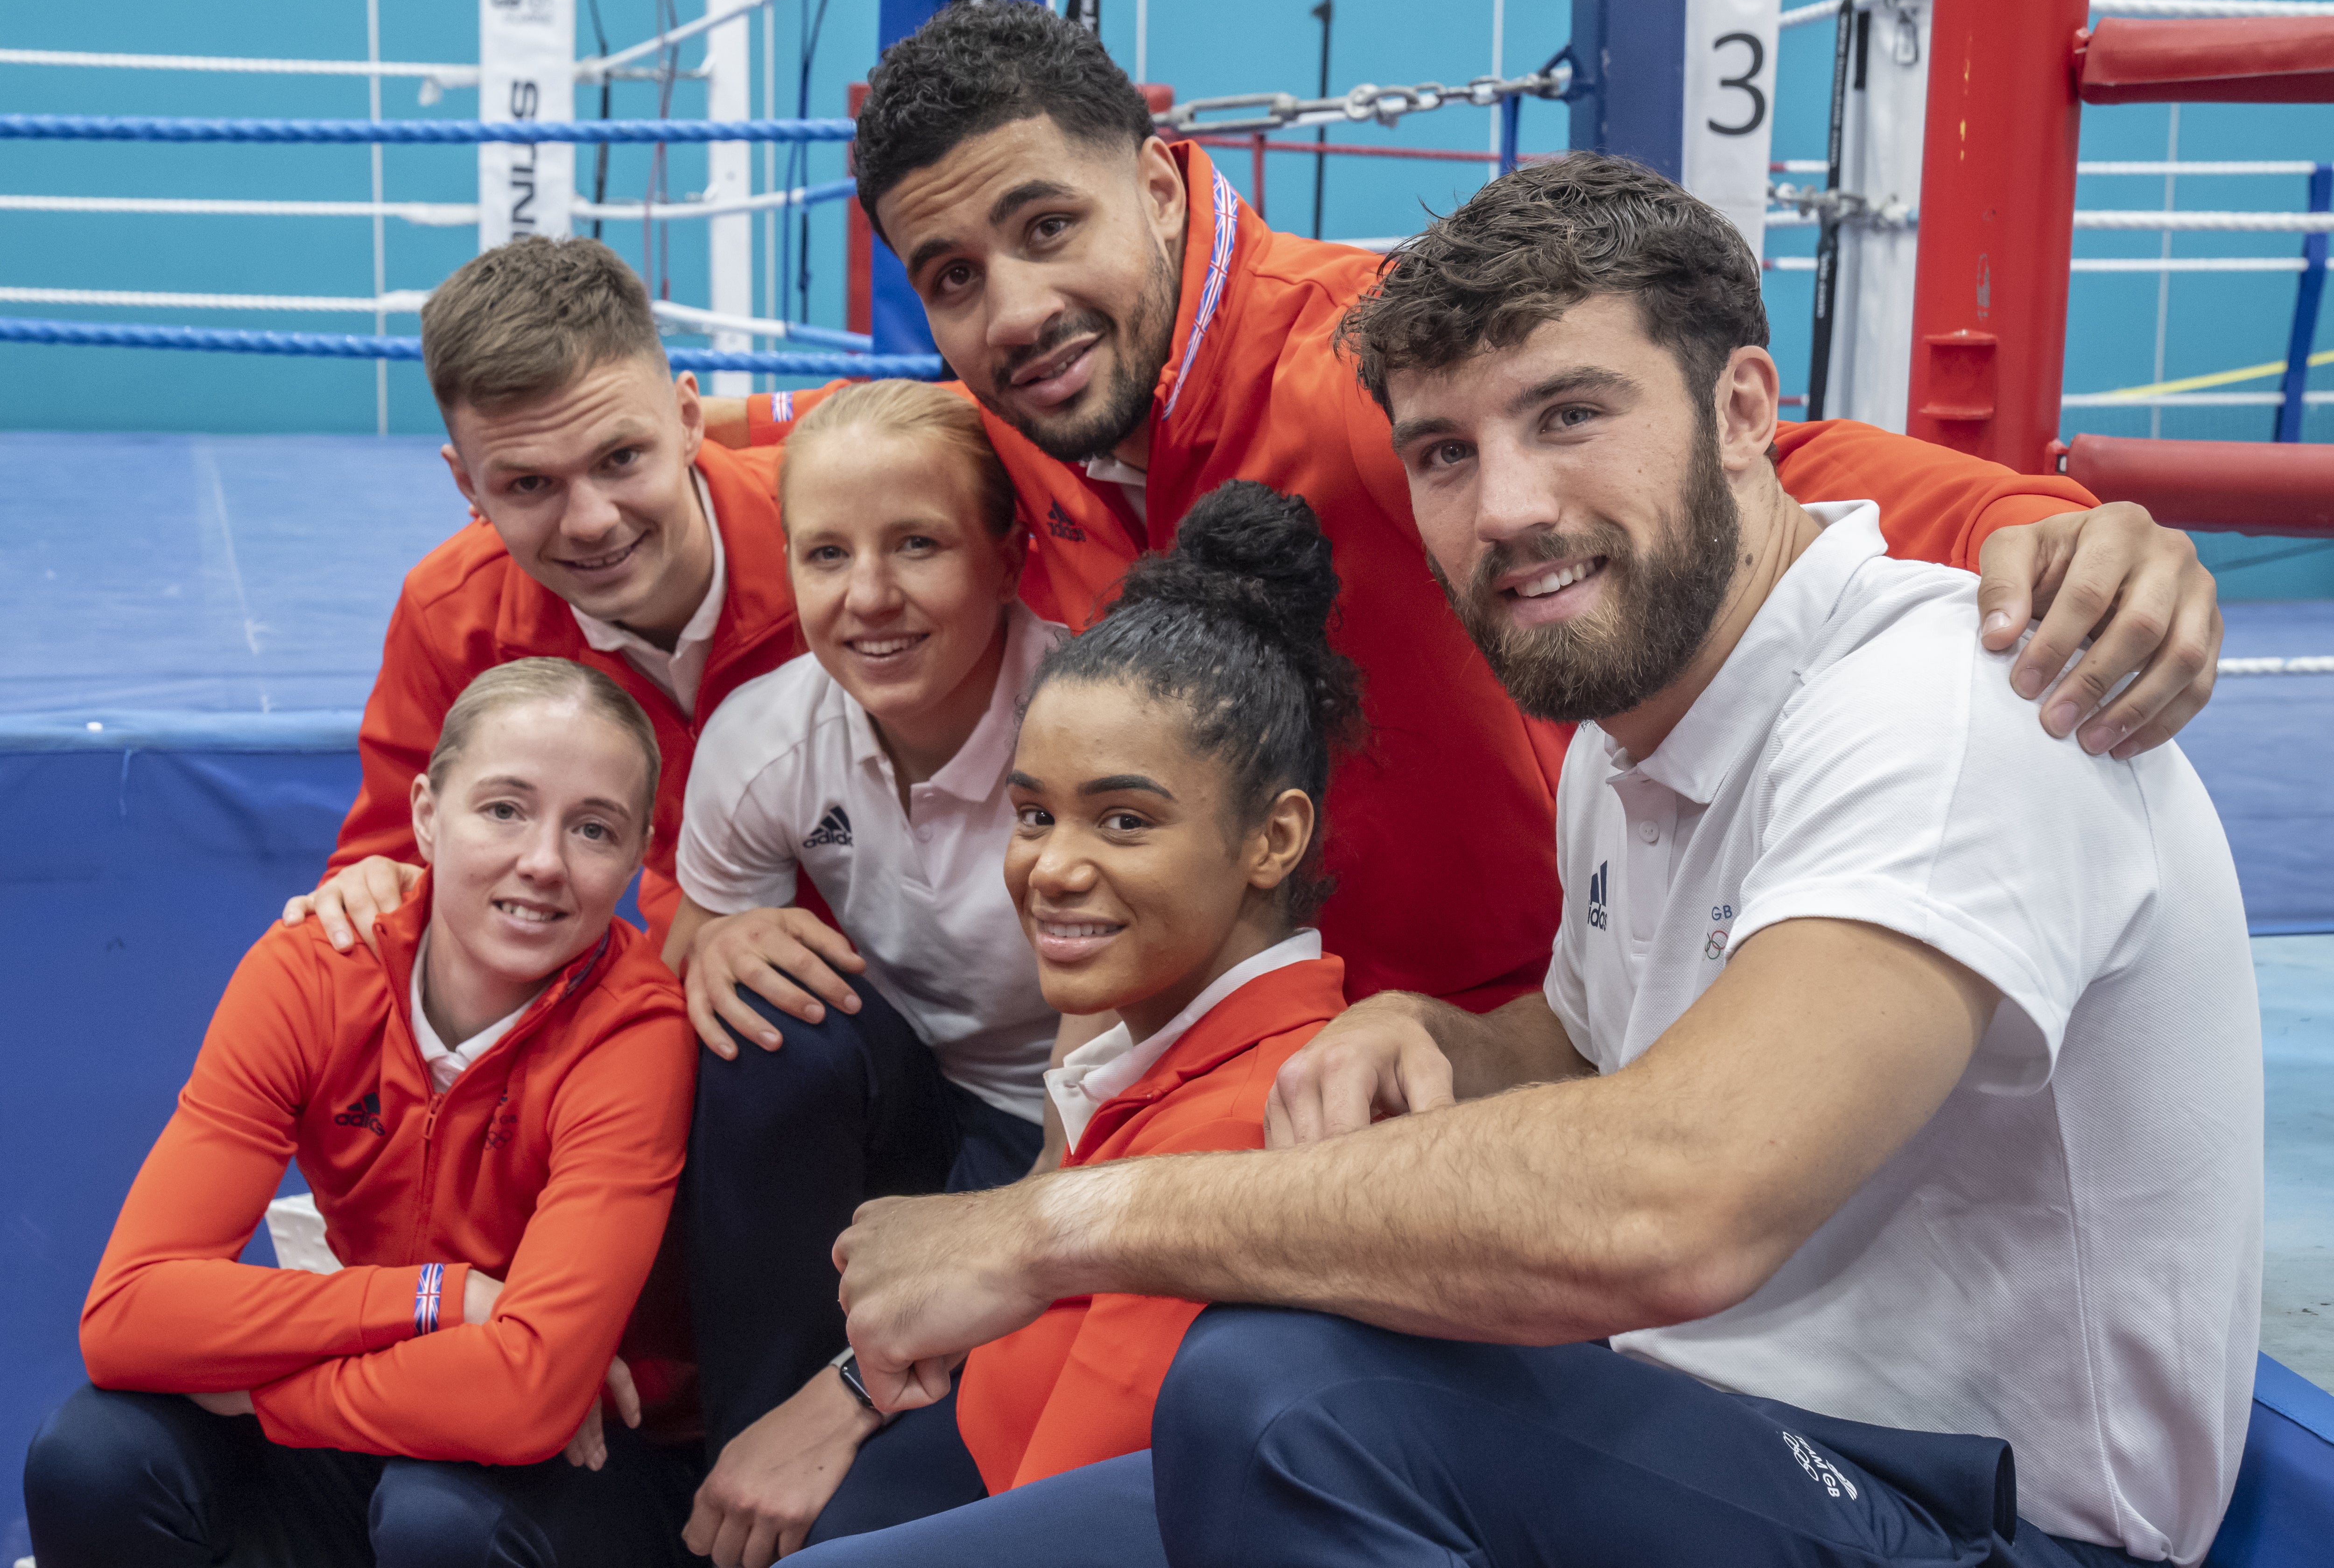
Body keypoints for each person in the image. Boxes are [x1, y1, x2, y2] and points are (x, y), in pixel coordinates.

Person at [813, 155, 2262, 1568]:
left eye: (1570, 414)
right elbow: (1589, 1041)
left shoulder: (1947, 707)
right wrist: (1444, 1032)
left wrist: (1053, 1224)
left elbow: (1678, 1200)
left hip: (1980, 1512)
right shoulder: (1629, 735)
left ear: (1745, 410)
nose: (1504, 505)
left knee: (1288, 1385)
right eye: (1445, 451)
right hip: (1681, 1430)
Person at [712, 0, 2226, 1017]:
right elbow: (707, 500)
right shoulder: (1010, 435)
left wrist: (2040, 523)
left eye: (1050, 227)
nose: (1018, 307)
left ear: (1165, 185)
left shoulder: (1376, 359)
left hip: (1545, 1020)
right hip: (1270, 1034)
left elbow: (1736, 456)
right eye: (954, 276)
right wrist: (685, 901)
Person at [769, 482, 1361, 1568]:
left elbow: (1065, 1519)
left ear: (1272, 840)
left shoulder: (1247, 1123)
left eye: (1124, 820)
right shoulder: (1134, 1062)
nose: (1053, 867)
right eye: (1034, 814)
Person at [23, 659, 706, 1567]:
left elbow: (532, 1393)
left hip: (570, 1457)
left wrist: (266, 1394)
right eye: (504, 809)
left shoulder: (634, 1027)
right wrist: (441, 1298)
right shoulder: (314, 968)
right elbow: (128, 1313)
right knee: (93, 1457)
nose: (542, 861)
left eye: (592, 828)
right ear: (426, 813)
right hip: (404, 1396)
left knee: (441, 1522)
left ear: (633, 856)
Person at [668, 380, 1085, 1558]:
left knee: (878, 1510)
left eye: (918, 544)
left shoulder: (1085, 725)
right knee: (762, 1026)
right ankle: (738, 1473)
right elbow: (690, 953)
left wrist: (850, 1390)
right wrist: (714, 940)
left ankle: (832, 1457)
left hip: (1077, 1128)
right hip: (908, 1105)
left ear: (1007, 556)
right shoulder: (766, 739)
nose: (869, 597)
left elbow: (1100, 1105)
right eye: (826, 554)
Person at [285, 234, 822, 955]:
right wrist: (366, 887)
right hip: (716, 955)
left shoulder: (839, 513)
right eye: (530, 483)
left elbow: (989, 412)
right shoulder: (456, 614)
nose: (592, 521)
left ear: (690, 421)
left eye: (621, 456)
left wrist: (771, 419)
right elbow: (393, 862)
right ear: (468, 486)